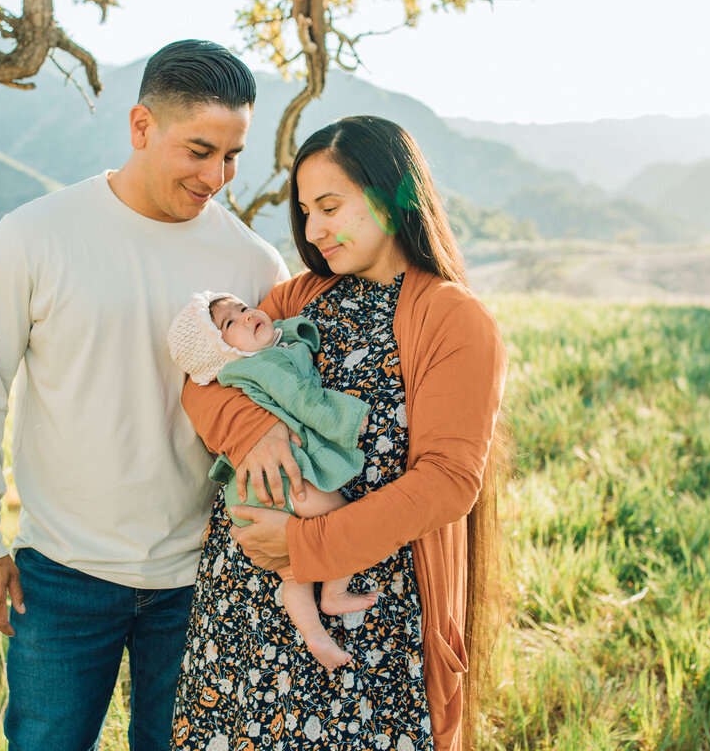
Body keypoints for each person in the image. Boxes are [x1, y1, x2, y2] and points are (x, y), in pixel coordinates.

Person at [0, 39, 289, 751]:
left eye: (232, 156)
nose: (217, 175)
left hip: (202, 577)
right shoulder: (36, 234)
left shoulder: (254, 264)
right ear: (141, 128)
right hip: (62, 575)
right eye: (199, 150)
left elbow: (272, 407)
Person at [171, 116, 508, 751]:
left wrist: (306, 545)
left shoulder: (452, 319)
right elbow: (205, 373)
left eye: (331, 206)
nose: (314, 229)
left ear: (392, 194)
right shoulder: (300, 295)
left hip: (367, 620)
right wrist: (254, 436)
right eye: (306, 211)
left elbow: (446, 485)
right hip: (244, 608)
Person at [167, 291, 380, 670]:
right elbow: (303, 399)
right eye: (230, 323)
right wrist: (347, 421)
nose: (247, 317)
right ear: (220, 353)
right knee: (345, 516)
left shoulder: (248, 361)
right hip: (279, 484)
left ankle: (314, 634)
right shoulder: (263, 366)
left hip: (250, 496)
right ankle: (335, 590)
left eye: (244, 309)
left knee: (292, 570)